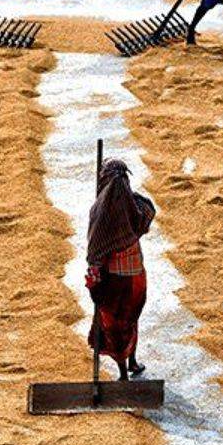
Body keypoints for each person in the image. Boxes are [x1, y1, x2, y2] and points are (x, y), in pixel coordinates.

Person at [85, 159, 157, 380]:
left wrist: (94, 277)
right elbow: (149, 210)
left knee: (115, 326)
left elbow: (95, 251)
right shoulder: (134, 209)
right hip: (136, 278)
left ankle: (124, 373)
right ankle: (132, 361)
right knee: (131, 320)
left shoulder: (100, 213)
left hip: (115, 282)